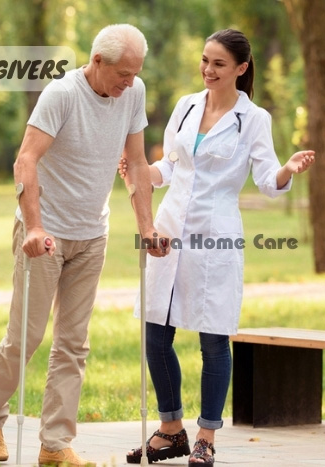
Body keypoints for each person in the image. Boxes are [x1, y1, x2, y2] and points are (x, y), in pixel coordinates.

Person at [0, 24, 169, 467]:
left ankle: (55, 445)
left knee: (74, 344)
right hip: (46, 234)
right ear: (97, 61)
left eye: (136, 73)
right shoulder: (61, 94)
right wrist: (36, 227)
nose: (130, 82)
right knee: (27, 336)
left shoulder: (132, 95)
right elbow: (26, 159)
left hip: (92, 233)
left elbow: (136, 165)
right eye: (123, 73)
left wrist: (148, 228)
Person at [120, 29, 315, 466]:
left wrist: (286, 168)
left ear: (241, 69)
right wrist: (140, 172)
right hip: (169, 230)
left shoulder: (254, 119)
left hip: (217, 234)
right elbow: (168, 167)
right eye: (205, 61)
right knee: (155, 333)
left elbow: (267, 182)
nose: (208, 70)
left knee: (213, 338)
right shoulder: (186, 106)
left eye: (219, 64)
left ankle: (206, 436)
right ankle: (172, 431)